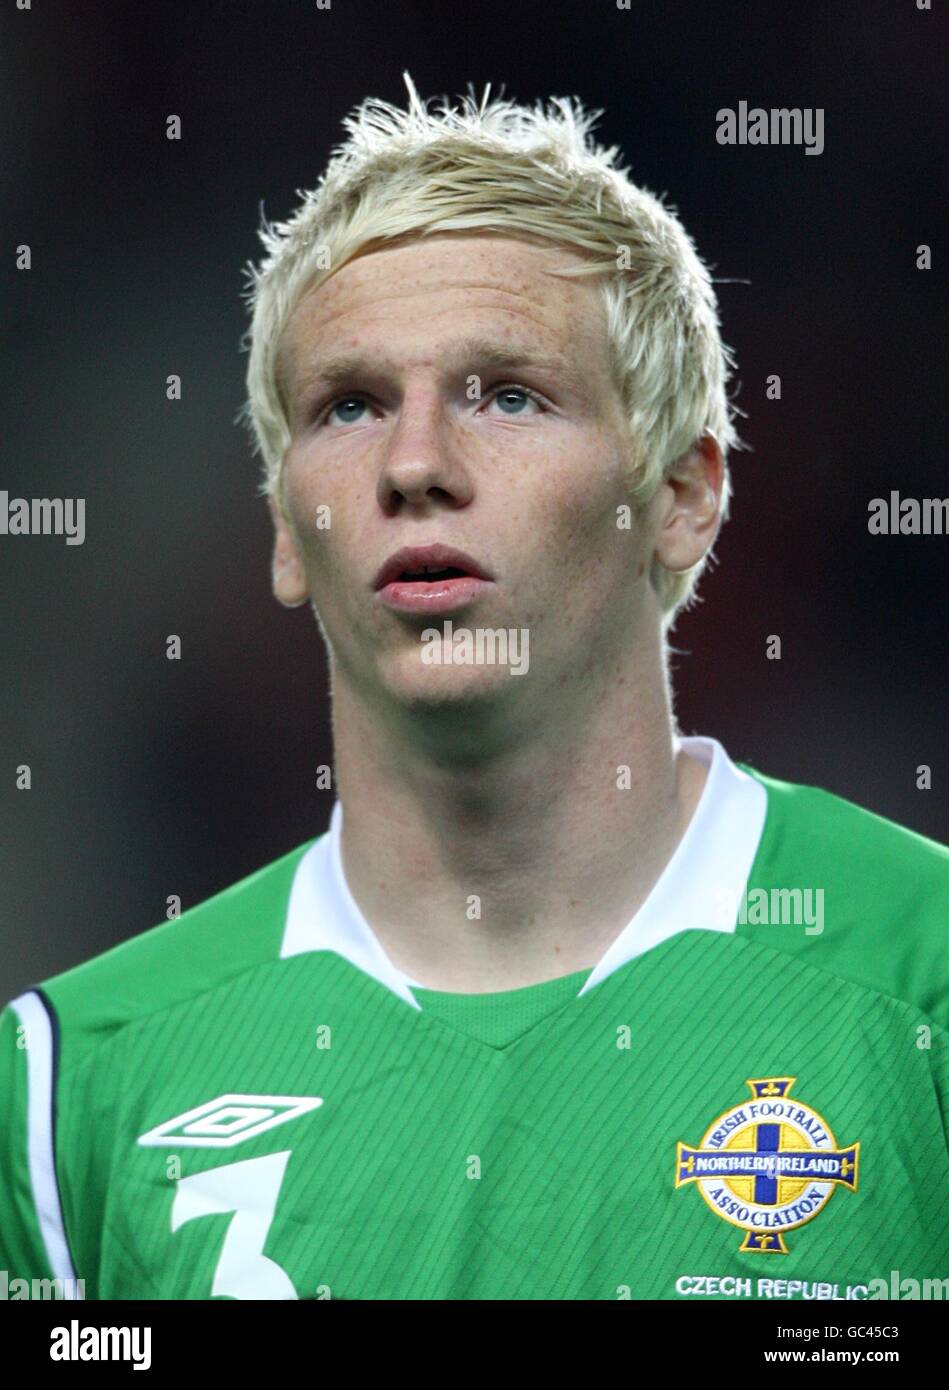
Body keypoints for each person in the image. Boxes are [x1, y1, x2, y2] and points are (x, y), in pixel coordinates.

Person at [2, 77, 946, 1302]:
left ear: (680, 498)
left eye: (507, 393)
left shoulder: (920, 979)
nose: (414, 464)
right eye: (349, 406)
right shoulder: (67, 1087)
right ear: (286, 530)